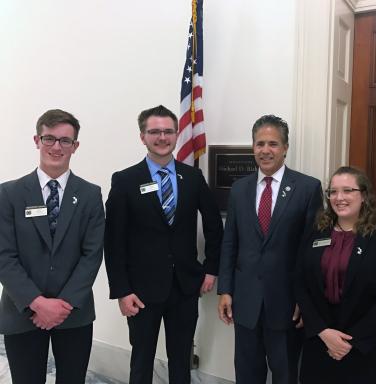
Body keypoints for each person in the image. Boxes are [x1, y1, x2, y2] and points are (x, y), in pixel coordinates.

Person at [104, 105, 223, 384]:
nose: (162, 137)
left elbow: (214, 224)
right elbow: (113, 241)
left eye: (168, 131)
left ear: (176, 134)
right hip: (141, 291)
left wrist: (211, 268)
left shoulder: (192, 177)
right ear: (142, 136)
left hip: (185, 286)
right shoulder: (125, 180)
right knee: (142, 360)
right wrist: (122, 290)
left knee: (181, 360)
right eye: (154, 131)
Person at [0, 109, 105, 383]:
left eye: (65, 141)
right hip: (22, 311)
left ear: (75, 146)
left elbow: (92, 254)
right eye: (49, 138)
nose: (57, 147)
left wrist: (63, 305)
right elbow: (4, 256)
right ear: (37, 140)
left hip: (73, 314)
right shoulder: (8, 194)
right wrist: (37, 303)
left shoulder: (90, 195)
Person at [217, 114, 323, 384]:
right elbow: (230, 242)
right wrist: (226, 290)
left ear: (285, 148)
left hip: (287, 304)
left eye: (273, 144)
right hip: (245, 301)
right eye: (260, 143)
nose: (266, 150)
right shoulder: (239, 189)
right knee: (247, 373)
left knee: (286, 373)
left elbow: (313, 250)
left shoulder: (307, 188)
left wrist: (305, 298)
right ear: (253, 147)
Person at [295, 166, 376, 384]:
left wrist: (350, 341)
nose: (339, 197)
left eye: (347, 190)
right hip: (320, 342)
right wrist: (323, 331)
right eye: (333, 192)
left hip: (364, 346)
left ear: (363, 195)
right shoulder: (316, 232)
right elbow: (300, 282)